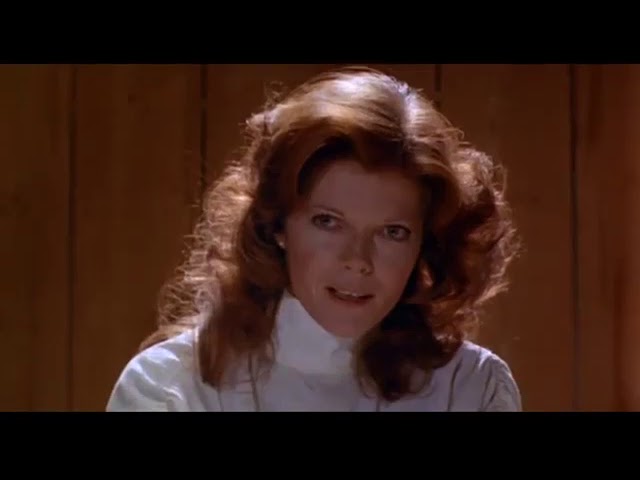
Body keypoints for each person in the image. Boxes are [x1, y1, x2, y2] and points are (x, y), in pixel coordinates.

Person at [106, 66, 522, 412]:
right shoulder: (170, 387)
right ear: (277, 225)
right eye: (328, 222)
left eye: (392, 232)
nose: (357, 260)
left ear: (424, 245)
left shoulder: (470, 389)